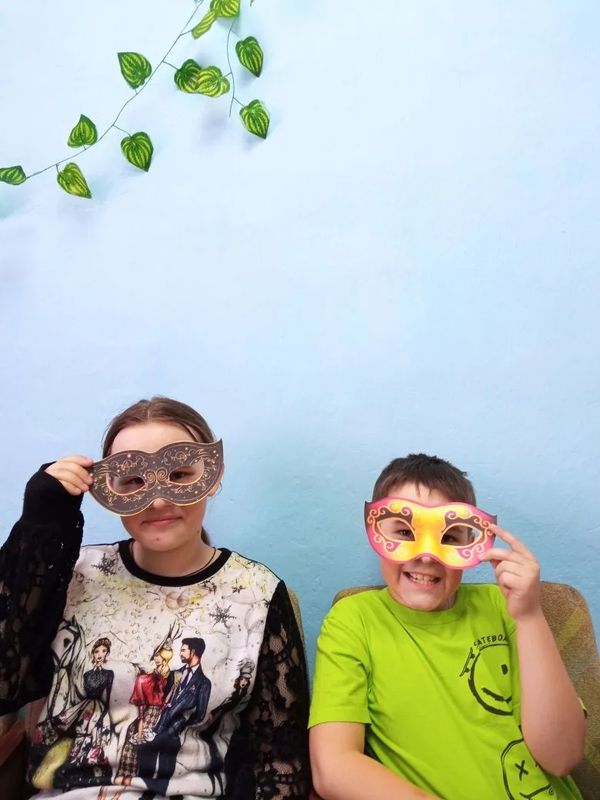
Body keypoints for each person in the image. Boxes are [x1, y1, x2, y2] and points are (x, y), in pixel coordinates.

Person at [0, 396, 311, 799]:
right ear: (106, 488)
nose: (159, 499)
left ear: (212, 475)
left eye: (180, 475)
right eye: (132, 481)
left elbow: (280, 762)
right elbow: (6, 684)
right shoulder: (75, 574)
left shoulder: (257, 594)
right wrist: (41, 529)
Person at [309, 453, 586, 800]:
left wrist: (529, 616)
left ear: (473, 541)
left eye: (450, 537)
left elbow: (562, 757)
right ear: (374, 531)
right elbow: (333, 767)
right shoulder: (354, 620)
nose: (427, 555)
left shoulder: (506, 606)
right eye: (405, 532)